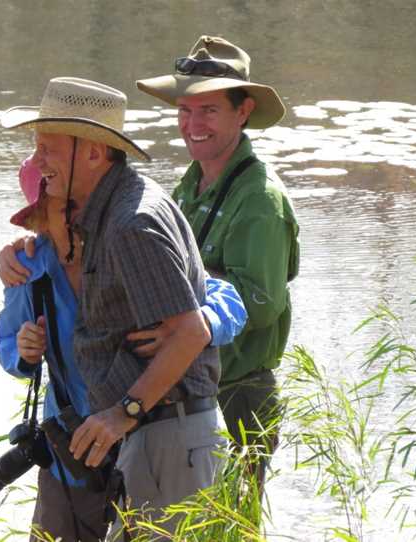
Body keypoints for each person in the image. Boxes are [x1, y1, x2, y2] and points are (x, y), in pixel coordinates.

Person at [0, 76, 226, 533]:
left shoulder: (130, 223)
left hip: (165, 433)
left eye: (49, 148)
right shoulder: (111, 210)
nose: (36, 161)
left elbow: (191, 331)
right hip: (154, 434)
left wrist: (122, 413)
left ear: (94, 153)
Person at [136, 35, 301, 493]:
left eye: (208, 110)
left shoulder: (260, 199)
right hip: (190, 387)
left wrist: (182, 317)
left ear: (243, 111)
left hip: (238, 394)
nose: (192, 124)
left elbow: (261, 305)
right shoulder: (192, 182)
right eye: (185, 110)